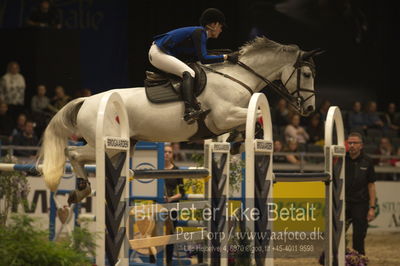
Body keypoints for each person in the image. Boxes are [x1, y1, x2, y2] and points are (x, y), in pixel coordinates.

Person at [148, 8, 238, 124]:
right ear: (213, 25)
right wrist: (226, 57)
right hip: (158, 53)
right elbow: (204, 59)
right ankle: (189, 110)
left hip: (160, 52)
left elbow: (198, 57)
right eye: (220, 26)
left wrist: (223, 55)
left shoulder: (200, 34)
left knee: (189, 70)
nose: (221, 30)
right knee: (189, 73)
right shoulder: (199, 32)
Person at [345, 132, 376, 255]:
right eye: (349, 143)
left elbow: (371, 185)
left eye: (355, 143)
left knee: (359, 237)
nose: (351, 145)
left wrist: (372, 207)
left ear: (361, 145)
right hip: (344, 203)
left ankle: (359, 261)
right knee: (337, 234)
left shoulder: (368, 161)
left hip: (361, 204)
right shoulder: (341, 159)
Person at [163, 143, 185, 266]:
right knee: (155, 232)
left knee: (170, 235)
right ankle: (153, 259)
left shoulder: (177, 170)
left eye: (169, 152)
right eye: (165, 152)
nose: (167, 154)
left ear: (172, 154)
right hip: (158, 205)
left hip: (172, 206)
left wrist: (170, 199)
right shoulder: (156, 169)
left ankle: (169, 261)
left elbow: (182, 192)